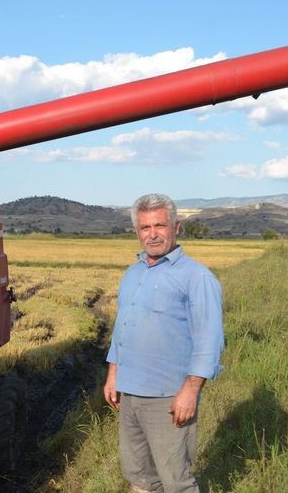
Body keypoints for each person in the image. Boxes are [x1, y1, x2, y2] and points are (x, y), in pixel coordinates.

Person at [104, 193, 224, 493]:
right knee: (139, 476)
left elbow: (210, 339)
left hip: (168, 397)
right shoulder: (133, 274)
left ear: (176, 227)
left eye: (160, 225)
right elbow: (123, 328)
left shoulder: (197, 277)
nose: (153, 234)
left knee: (175, 481)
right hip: (130, 393)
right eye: (145, 227)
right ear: (137, 232)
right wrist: (113, 372)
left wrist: (191, 390)